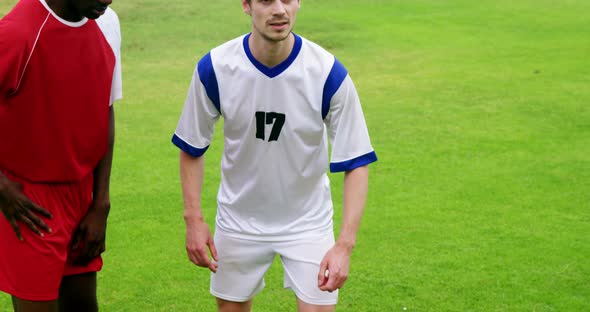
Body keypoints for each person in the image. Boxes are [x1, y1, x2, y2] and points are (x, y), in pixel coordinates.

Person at [172, 0, 377, 311]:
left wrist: (344, 245)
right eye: (267, 0)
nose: (279, 10)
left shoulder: (327, 73)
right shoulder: (215, 68)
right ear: (246, 5)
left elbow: (357, 161)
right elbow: (191, 146)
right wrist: (193, 220)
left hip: (308, 223)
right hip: (238, 221)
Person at [0, 0, 122, 310]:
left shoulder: (105, 23)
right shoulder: (17, 33)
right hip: (31, 203)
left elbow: (104, 108)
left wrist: (100, 202)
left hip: (83, 198)